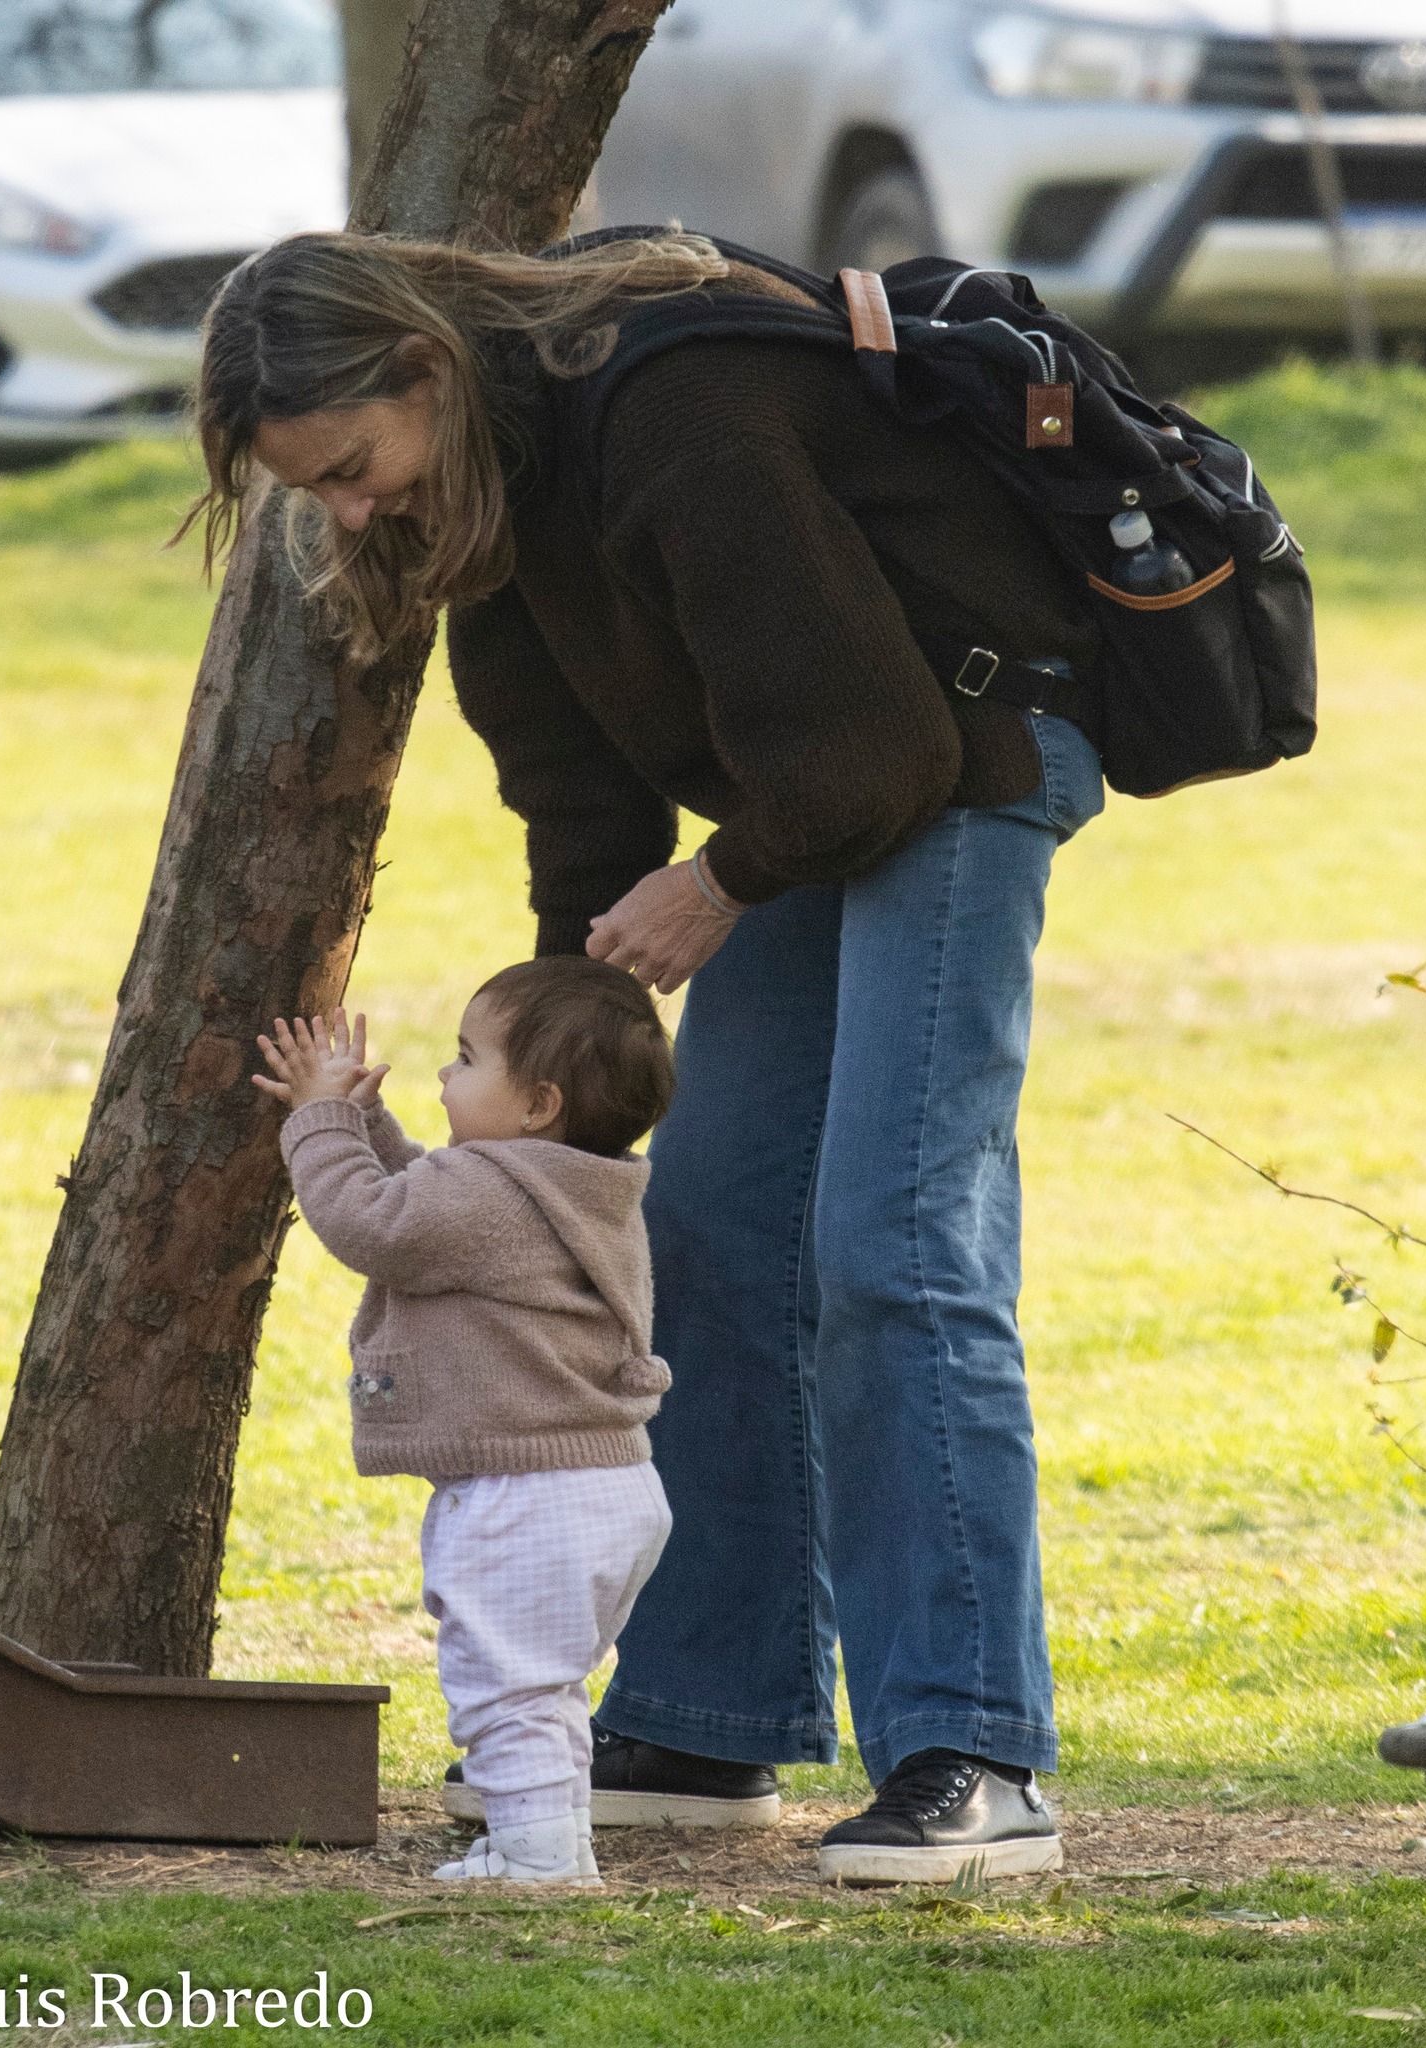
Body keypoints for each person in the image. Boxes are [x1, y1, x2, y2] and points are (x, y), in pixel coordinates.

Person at [194, 226, 1105, 1885]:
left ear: (423, 367)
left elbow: (882, 746)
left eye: (350, 466)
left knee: (888, 1245)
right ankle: (704, 1714)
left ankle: (971, 1747)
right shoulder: (499, 493)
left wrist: (714, 885)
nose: (349, 510)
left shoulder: (675, 408)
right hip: (814, 804)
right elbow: (582, 813)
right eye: (312, 492)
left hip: (963, 759)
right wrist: (537, 1105)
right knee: (703, 1234)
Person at [252, 966, 676, 1885]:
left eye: (465, 1057)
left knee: (506, 1688)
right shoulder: (574, 1184)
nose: (442, 1076)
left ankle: (536, 1859)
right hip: (607, 1485)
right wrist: (362, 1120)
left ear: (538, 1104)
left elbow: (377, 1222)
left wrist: (319, 1124)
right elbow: (431, 1202)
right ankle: (553, 1844)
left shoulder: (490, 1192)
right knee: (542, 1686)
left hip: (527, 1493)